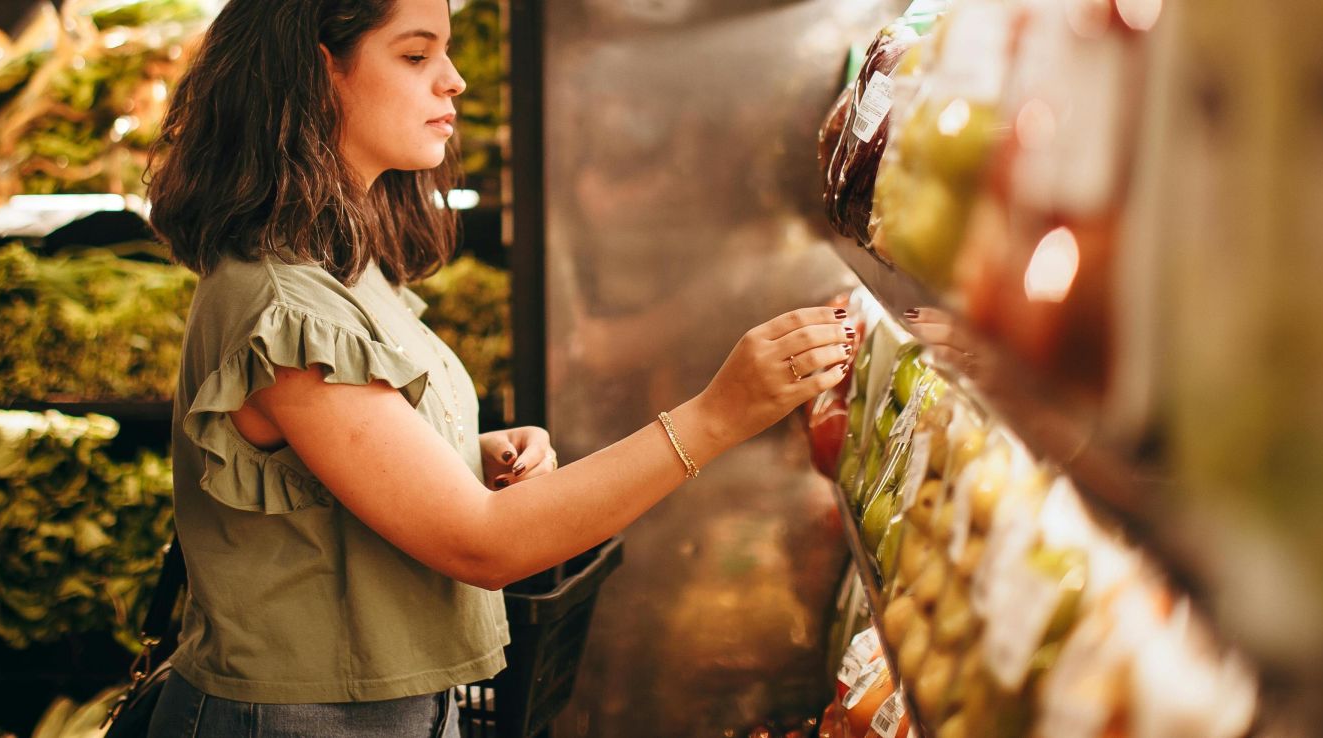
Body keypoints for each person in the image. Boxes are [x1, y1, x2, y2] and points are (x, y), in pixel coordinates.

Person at [142, 0, 852, 734]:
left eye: (445, 54)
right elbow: (482, 543)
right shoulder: (282, 302)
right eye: (416, 56)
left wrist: (460, 456)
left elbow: (329, 476)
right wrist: (717, 416)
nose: (453, 82)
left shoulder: (342, 265)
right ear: (319, 73)